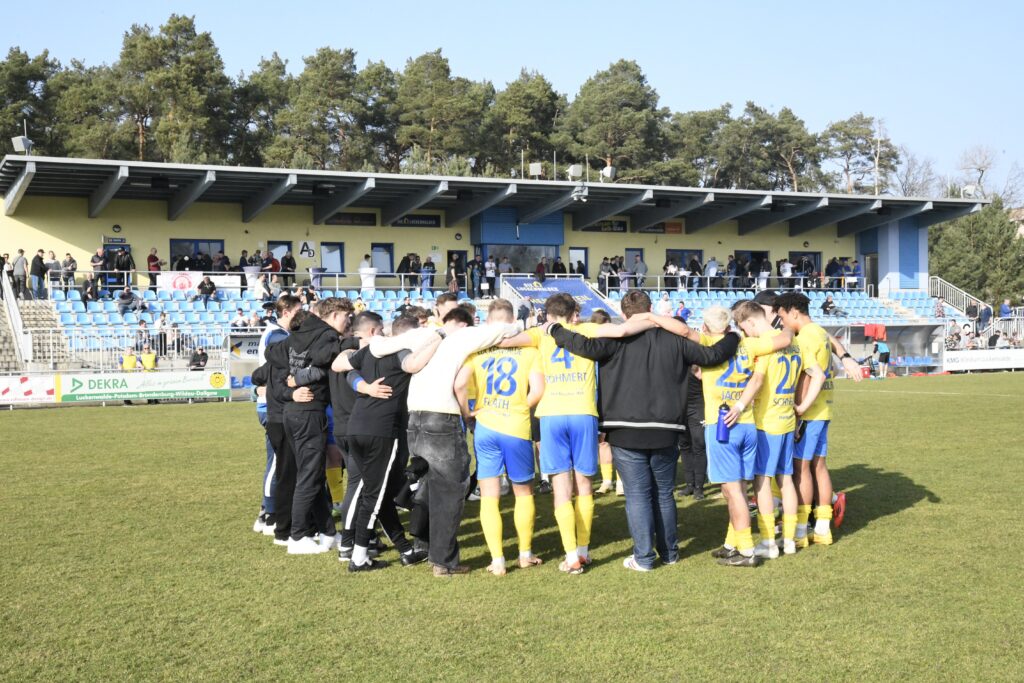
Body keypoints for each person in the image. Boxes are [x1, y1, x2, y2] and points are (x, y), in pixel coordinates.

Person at [547, 293, 743, 571]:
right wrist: (734, 336)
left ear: (625, 315)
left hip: (625, 429)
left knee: (638, 494)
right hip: (666, 427)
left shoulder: (614, 339)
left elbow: (581, 345)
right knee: (663, 493)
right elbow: (713, 355)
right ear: (651, 310)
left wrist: (554, 328)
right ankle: (670, 553)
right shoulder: (676, 340)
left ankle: (644, 557)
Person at [366, 306, 519, 576]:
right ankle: (444, 561)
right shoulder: (464, 336)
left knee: (427, 485)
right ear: (465, 324)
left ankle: (424, 545)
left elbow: (377, 346)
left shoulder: (423, 335)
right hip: (442, 418)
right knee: (450, 491)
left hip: (414, 419)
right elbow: (506, 329)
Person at [332, 314, 434, 572]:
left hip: (357, 427)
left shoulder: (367, 353)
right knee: (374, 495)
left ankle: (405, 549)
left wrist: (362, 386)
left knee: (382, 492)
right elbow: (412, 365)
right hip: (382, 431)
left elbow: (340, 365)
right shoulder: (399, 352)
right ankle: (358, 557)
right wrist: (438, 339)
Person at [454, 299, 546, 576]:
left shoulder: (478, 350)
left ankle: (497, 560)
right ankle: (525, 554)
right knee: (523, 492)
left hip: (486, 427)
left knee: (490, 496)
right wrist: (520, 407)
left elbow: (459, 384)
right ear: (512, 320)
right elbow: (539, 390)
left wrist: (468, 413)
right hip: (516, 427)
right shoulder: (531, 349)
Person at [729, 301, 825, 560]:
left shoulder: (765, 347)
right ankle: (791, 540)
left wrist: (739, 405)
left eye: (744, 328)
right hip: (787, 420)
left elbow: (758, 380)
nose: (746, 334)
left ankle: (769, 541)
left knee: (761, 482)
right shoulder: (796, 342)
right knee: (786, 480)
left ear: (749, 322)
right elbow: (820, 375)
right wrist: (802, 406)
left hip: (766, 423)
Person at [282, 298, 353, 554]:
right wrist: (345, 348)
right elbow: (324, 363)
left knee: (313, 475)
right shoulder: (326, 336)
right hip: (309, 411)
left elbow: (277, 361)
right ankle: (298, 536)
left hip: (296, 412)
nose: (348, 323)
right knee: (310, 476)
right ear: (334, 315)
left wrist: (293, 384)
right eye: (346, 317)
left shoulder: (299, 332)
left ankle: (327, 532)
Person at [773, 293, 844, 547]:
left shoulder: (804, 339)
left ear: (793, 312)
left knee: (801, 468)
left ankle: (801, 531)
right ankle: (823, 528)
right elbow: (831, 370)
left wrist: (801, 406)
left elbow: (817, 375)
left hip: (810, 414)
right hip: (823, 410)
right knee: (819, 466)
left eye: (781, 317)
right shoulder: (821, 333)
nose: (781, 323)